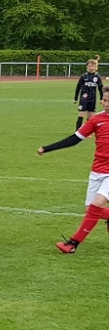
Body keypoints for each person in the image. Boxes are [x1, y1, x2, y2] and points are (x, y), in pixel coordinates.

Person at [39, 90, 109, 253]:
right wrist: (47, 148)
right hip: (97, 170)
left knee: (97, 204)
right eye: (104, 100)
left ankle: (73, 243)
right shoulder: (96, 120)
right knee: (90, 210)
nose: (106, 104)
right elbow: (75, 139)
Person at [74, 56, 103, 131]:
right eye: (89, 66)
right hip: (84, 98)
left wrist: (101, 98)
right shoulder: (83, 76)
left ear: (95, 67)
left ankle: (87, 131)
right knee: (81, 114)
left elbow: (100, 88)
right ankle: (77, 132)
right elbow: (78, 87)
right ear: (87, 67)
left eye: (93, 66)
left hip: (92, 98)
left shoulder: (97, 77)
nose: (91, 68)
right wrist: (75, 98)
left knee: (91, 117)